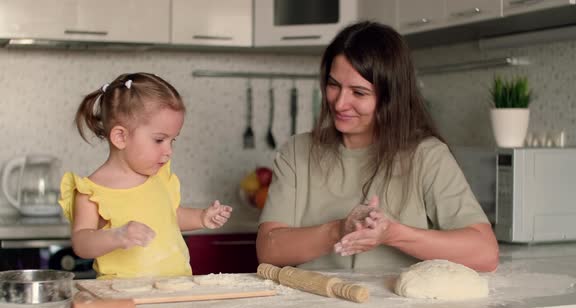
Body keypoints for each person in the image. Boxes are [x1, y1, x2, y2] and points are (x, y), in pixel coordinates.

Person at [256, 22, 499, 272]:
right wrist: (337, 230)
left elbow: (485, 253)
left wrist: (392, 234)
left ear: (391, 98)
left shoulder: (427, 155)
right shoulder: (298, 152)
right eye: (333, 85)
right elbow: (268, 249)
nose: (340, 103)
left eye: (358, 93)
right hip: (313, 307)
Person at [59, 72, 233, 279]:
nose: (169, 151)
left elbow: (170, 216)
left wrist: (201, 217)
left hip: (174, 291)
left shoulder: (159, 177)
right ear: (120, 137)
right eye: (159, 140)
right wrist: (117, 236)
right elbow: (82, 243)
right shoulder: (93, 191)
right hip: (122, 298)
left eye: (172, 140)